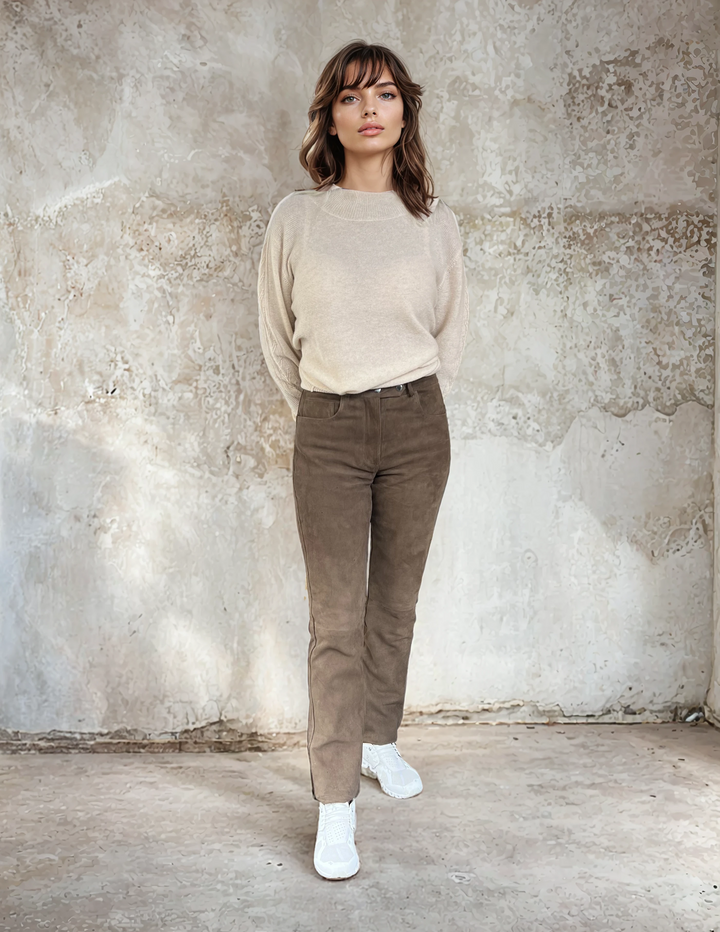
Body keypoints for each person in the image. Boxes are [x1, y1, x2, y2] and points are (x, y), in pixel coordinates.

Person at [256, 39, 469, 880]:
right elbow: (278, 338)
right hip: (328, 428)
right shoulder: (296, 219)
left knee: (395, 606)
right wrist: (327, 410)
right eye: (350, 97)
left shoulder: (435, 223)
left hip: (418, 423)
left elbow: (448, 332)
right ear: (331, 118)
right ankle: (335, 803)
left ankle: (379, 740)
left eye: (382, 93)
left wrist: (405, 400)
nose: (368, 109)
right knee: (336, 623)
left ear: (404, 112)